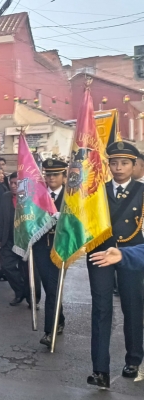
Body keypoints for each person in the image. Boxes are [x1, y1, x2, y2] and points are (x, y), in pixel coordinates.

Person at [83, 141, 144, 389]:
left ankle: (133, 360)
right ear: (108, 165)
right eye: (114, 162)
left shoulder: (142, 191)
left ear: (134, 165)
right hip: (100, 254)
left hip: (131, 254)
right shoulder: (95, 191)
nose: (119, 167)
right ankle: (100, 370)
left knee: (132, 307)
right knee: (101, 309)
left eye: (125, 163)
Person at [32, 159, 68, 348]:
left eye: (56, 174)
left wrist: (65, 219)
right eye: (48, 174)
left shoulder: (71, 197)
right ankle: (59, 318)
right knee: (49, 287)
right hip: (40, 247)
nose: (51, 178)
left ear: (64, 176)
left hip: (61, 248)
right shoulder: (39, 196)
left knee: (53, 288)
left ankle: (50, 330)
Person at [0, 172, 34, 307]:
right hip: (9, 239)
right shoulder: (5, 197)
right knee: (7, 267)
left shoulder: (32, 197)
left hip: (26, 240)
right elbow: (1, 220)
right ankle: (20, 292)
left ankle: (32, 299)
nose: (13, 186)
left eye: (16, 183)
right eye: (11, 183)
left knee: (29, 271)